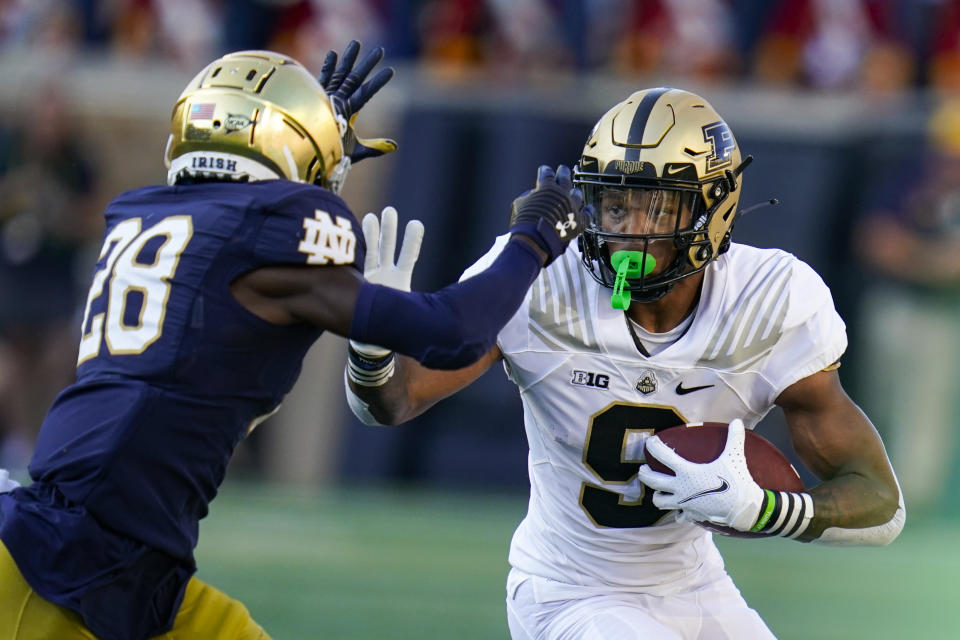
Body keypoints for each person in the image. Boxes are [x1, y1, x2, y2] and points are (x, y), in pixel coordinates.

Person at [0, 43, 588, 640]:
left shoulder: (152, 214)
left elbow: (230, 225)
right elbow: (453, 334)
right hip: (72, 568)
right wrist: (532, 241)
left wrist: (311, 134)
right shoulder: (266, 236)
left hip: (112, 557)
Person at [346, 87, 905, 639]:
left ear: (716, 207)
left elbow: (881, 505)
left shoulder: (770, 299)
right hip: (567, 591)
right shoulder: (542, 278)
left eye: (656, 204)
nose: (630, 230)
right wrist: (374, 344)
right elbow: (395, 401)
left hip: (695, 586)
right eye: (616, 204)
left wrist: (766, 510)